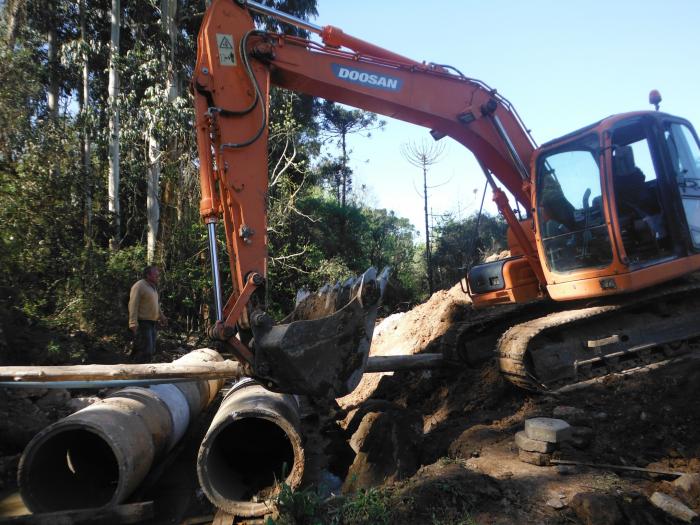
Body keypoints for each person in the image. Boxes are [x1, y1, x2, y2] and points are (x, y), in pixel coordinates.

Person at [128, 265, 167, 362]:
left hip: (152, 323)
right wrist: (132, 322)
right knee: (145, 350)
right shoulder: (139, 286)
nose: (158, 276)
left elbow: (156, 304)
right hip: (142, 323)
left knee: (151, 350)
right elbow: (133, 304)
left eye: (158, 275)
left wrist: (162, 316)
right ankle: (137, 373)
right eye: (156, 275)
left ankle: (145, 373)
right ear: (148, 275)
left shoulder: (152, 287)